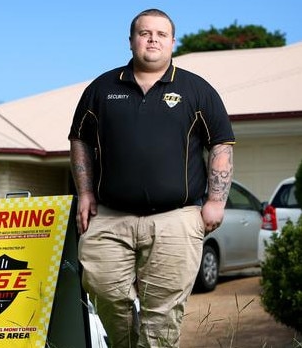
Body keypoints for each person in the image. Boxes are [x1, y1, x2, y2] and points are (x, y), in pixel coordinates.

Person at [68, 8, 235, 347]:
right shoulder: (101, 89)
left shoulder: (197, 90)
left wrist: (217, 200)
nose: (153, 39)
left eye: (161, 34)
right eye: (145, 33)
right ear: (131, 41)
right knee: (104, 291)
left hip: (176, 219)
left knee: (162, 314)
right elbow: (80, 139)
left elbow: (220, 144)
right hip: (110, 219)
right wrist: (85, 193)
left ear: (173, 42)